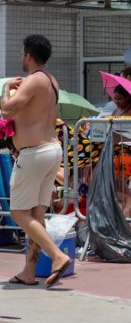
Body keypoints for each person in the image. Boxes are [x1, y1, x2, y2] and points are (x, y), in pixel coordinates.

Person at [0, 34, 72, 288]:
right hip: (51, 150)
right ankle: (29, 272)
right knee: (36, 215)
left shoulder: (33, 80)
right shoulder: (50, 80)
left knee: (19, 212)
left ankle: (57, 255)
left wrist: (7, 89)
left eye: (22, 53)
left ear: (28, 55)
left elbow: (8, 109)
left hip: (34, 153)